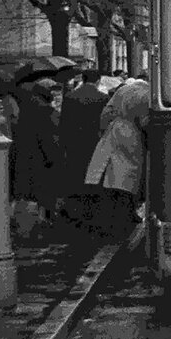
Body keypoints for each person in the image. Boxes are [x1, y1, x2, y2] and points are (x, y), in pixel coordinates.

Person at [85, 77, 150, 235]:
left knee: (108, 173)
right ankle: (125, 215)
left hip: (114, 130)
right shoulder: (147, 93)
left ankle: (108, 216)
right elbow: (145, 121)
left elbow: (106, 113)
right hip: (133, 134)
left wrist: (103, 130)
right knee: (128, 175)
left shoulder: (121, 91)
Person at [58, 69, 109, 225]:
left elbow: (64, 123)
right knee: (94, 174)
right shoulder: (103, 98)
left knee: (76, 173)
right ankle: (93, 207)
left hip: (74, 143)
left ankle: (76, 208)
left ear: (83, 79)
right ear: (98, 81)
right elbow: (105, 122)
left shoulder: (70, 97)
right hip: (95, 142)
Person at [11, 78, 63, 221]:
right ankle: (41, 225)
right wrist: (56, 158)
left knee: (26, 194)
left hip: (25, 156)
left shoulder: (25, 108)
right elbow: (52, 139)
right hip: (43, 160)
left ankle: (22, 224)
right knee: (44, 195)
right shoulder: (48, 112)